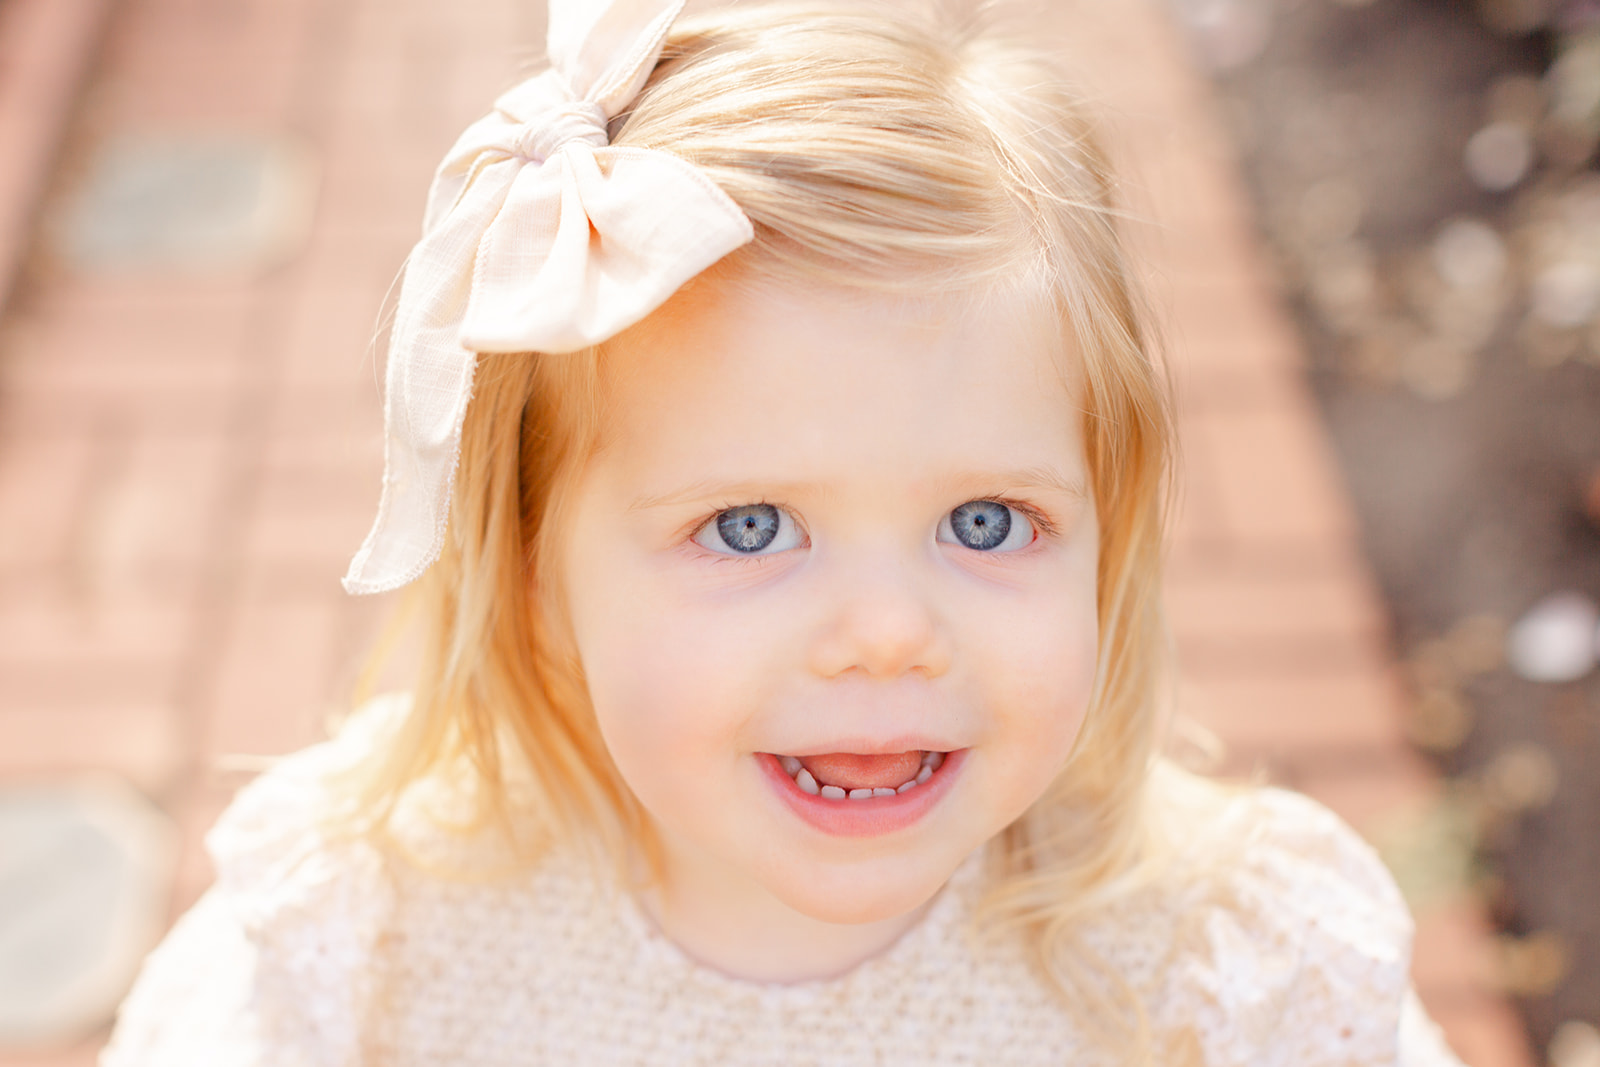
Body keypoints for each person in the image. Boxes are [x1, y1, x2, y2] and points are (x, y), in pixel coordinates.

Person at [101, 1, 1467, 1063]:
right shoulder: (369, 945)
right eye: (749, 528)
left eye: (988, 521)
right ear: (529, 574)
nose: (888, 631)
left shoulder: (1219, 977)